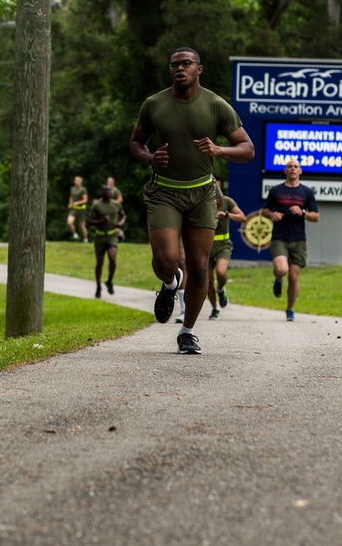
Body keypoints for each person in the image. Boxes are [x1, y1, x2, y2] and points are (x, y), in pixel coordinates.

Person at [129, 47, 254, 354]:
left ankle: (187, 332)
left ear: (200, 69)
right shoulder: (154, 104)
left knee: (200, 268)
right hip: (164, 193)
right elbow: (135, 142)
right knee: (166, 260)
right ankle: (171, 284)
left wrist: (219, 150)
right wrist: (148, 157)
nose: (179, 69)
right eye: (174, 65)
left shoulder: (215, 105)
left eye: (186, 64)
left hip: (202, 193)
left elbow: (248, 148)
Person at [261, 159, 319, 322]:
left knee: (294, 277)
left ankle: (290, 309)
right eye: (290, 167)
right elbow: (265, 210)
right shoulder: (276, 191)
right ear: (285, 171)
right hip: (279, 237)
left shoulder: (306, 192)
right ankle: (278, 280)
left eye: (296, 167)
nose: (293, 169)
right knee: (281, 269)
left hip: (299, 240)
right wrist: (272, 215)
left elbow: (316, 217)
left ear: (300, 171)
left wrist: (302, 213)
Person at [207, 182, 246, 319]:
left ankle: (221, 289)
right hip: (205, 245)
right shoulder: (202, 202)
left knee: (221, 272)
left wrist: (227, 214)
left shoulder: (227, 201)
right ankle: (214, 308)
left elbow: (243, 217)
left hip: (223, 243)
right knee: (208, 280)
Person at [86, 183, 126, 298]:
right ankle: (98, 285)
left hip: (112, 236)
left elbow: (123, 215)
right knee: (100, 263)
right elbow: (89, 222)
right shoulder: (97, 206)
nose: (108, 192)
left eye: (110, 190)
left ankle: (109, 281)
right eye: (106, 190)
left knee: (112, 258)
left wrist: (120, 224)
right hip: (100, 237)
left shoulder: (116, 205)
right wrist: (101, 221)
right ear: (102, 193)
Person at [66, 175, 89, 242]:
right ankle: (75, 234)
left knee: (82, 226)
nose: (76, 182)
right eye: (75, 180)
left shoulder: (83, 189)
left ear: (81, 182)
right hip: (74, 209)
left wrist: (78, 202)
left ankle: (85, 239)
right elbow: (71, 197)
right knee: (69, 222)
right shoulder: (72, 189)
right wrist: (70, 203)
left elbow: (85, 200)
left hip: (81, 209)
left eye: (78, 180)